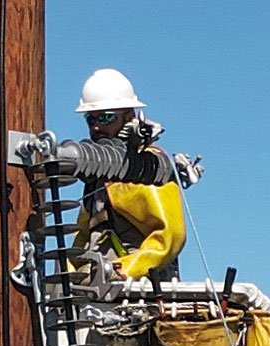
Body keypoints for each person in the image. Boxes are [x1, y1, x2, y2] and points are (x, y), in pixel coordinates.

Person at [73, 68, 202, 283]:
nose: (96, 127)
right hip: (96, 293)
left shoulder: (149, 167)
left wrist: (123, 271)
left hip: (140, 296)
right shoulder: (97, 177)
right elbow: (83, 235)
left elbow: (170, 237)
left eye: (106, 118)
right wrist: (70, 274)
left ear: (129, 117)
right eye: (90, 119)